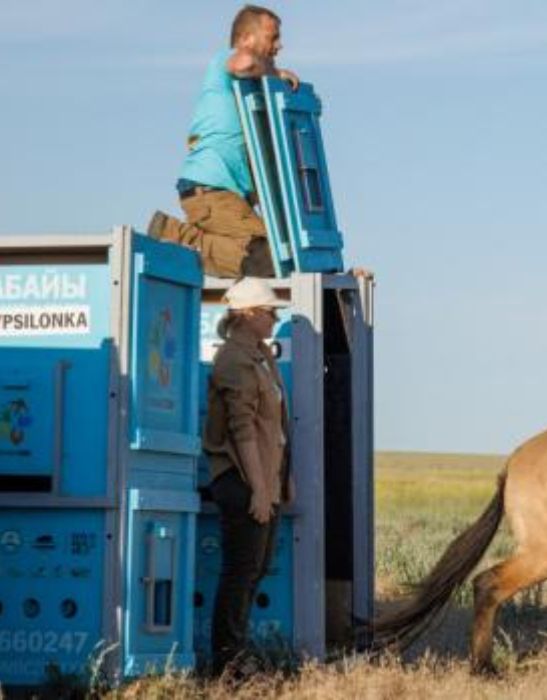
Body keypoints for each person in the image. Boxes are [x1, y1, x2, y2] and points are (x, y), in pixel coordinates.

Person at [147, 5, 299, 278]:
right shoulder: (224, 61)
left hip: (226, 196)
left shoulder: (251, 92)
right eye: (272, 37)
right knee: (269, 256)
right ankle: (174, 235)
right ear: (245, 40)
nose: (279, 45)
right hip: (211, 191)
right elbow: (244, 63)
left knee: (277, 256)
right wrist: (276, 73)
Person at [203, 276, 291, 675]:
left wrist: (276, 482)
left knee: (255, 568)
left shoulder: (261, 357)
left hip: (262, 481)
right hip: (241, 482)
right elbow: (242, 432)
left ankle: (236, 655)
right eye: (271, 312)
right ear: (250, 315)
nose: (275, 319)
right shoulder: (234, 361)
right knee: (240, 572)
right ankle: (228, 662)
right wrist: (258, 489)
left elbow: (272, 429)